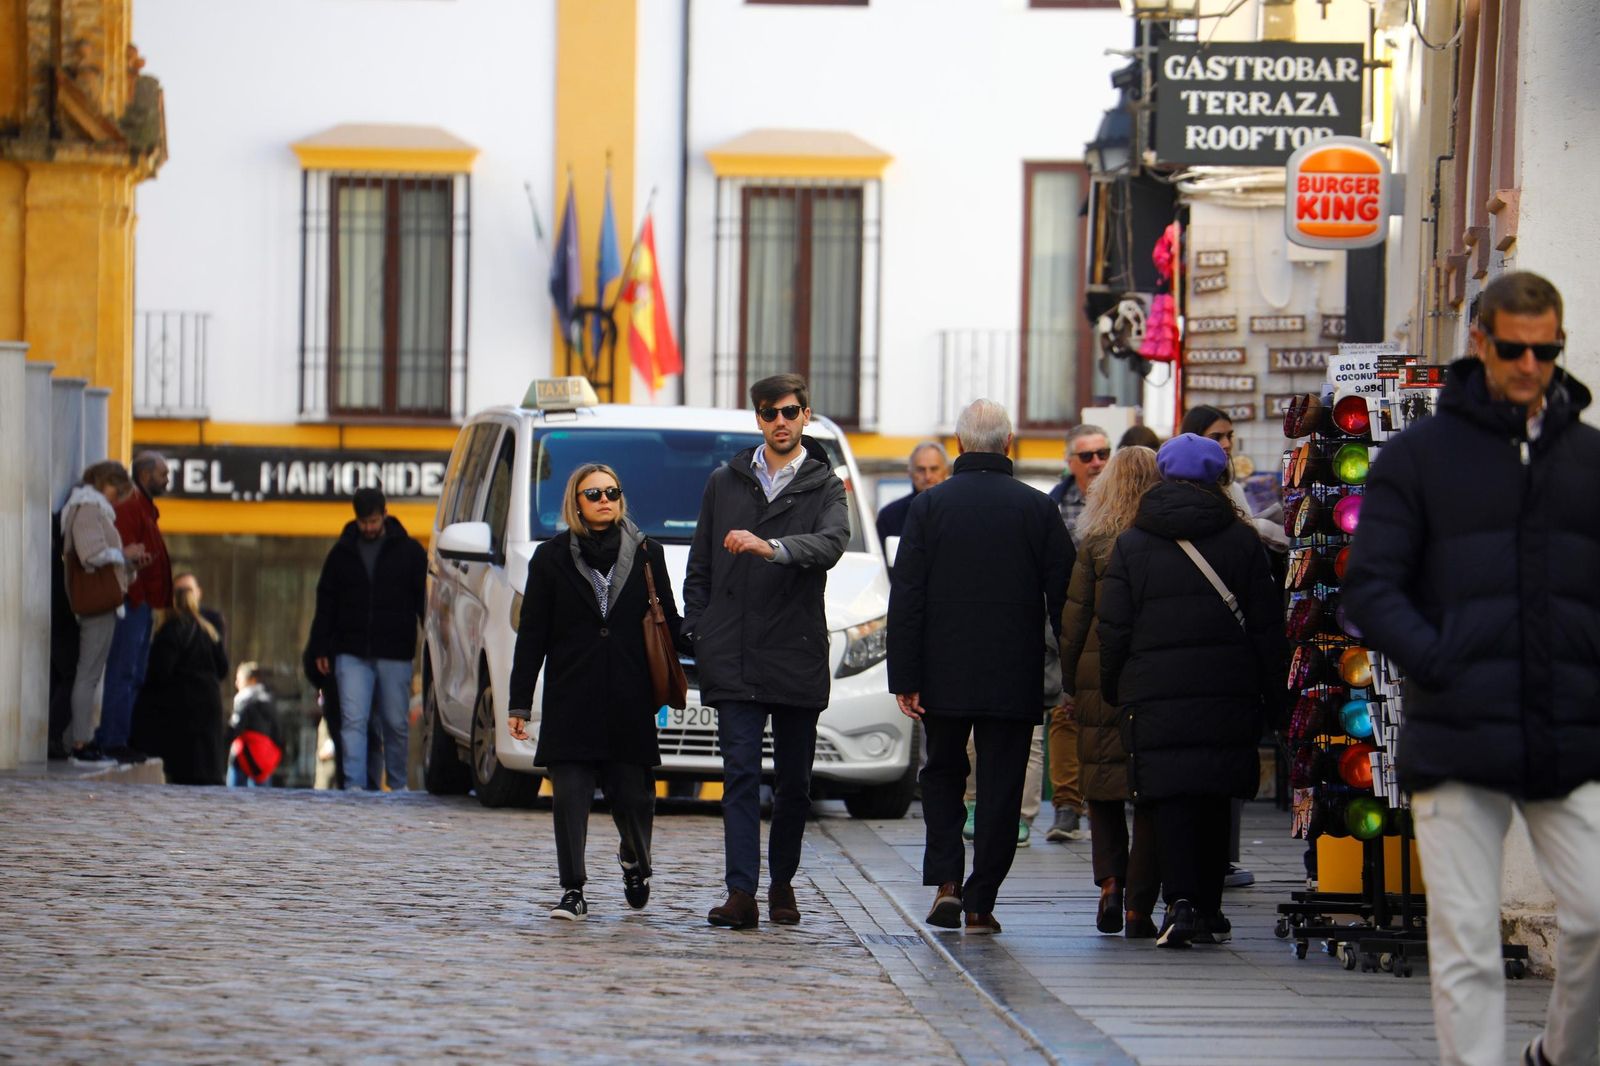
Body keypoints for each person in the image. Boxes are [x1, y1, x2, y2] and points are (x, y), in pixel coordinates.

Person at [1344, 271, 1600, 1066]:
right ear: (1480, 340)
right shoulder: (1420, 456)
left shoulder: (1590, 459)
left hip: (1569, 729)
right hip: (1456, 732)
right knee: (1465, 945)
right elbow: (1371, 587)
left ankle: (1559, 1054)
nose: (1531, 365)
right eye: (1516, 348)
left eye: (1547, 349)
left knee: (1595, 916)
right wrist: (1437, 659)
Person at [889, 399, 1071, 934]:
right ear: (1008, 444)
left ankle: (947, 880)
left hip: (942, 674)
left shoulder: (928, 508)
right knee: (1001, 787)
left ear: (960, 446)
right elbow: (1063, 599)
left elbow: (909, 597)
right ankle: (980, 900)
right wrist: (1075, 674)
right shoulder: (1038, 510)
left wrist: (906, 676)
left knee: (942, 775)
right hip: (1014, 676)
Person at [1098, 434, 1281, 948]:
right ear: (1220, 480)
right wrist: (1278, 694)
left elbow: (1113, 627)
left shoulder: (1133, 542)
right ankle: (1208, 906)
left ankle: (1179, 902)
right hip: (1227, 687)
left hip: (1156, 691)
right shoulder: (1243, 541)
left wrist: (1116, 685)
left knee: (1171, 796)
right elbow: (1267, 625)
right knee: (1213, 793)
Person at [684, 373, 850, 930]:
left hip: (796, 648)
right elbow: (700, 568)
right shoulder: (723, 482)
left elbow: (831, 544)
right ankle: (741, 893)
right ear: (757, 418)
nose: (780, 420)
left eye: (790, 411)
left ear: (807, 415)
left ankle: (782, 884)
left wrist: (771, 547)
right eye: (769, 412)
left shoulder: (825, 486)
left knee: (795, 782)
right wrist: (702, 631)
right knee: (739, 774)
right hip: (732, 651)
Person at [506, 463, 687, 920]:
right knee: (569, 796)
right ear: (576, 502)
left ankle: (635, 861)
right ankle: (573, 890)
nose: (605, 499)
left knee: (634, 796)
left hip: (629, 698)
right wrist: (519, 703)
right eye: (594, 493)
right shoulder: (550, 558)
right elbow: (532, 636)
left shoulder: (649, 553)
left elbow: (671, 623)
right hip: (573, 697)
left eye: (612, 491)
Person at [1178, 403, 1285, 889]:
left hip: (1197, 668)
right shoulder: (1231, 527)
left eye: (1229, 436)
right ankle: (1202, 883)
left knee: (1204, 776)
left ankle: (1202, 870)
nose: (1226, 445)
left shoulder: (1232, 494)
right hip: (1220, 665)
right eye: (1217, 437)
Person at [1059, 445, 1163, 938]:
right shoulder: (1162, 540)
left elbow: (1074, 619)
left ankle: (1109, 886)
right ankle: (1141, 906)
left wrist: (1069, 681)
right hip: (1149, 676)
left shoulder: (1096, 541)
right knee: (1147, 791)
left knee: (1101, 787)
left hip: (1097, 677)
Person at [309, 487, 427, 792]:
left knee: (395, 724)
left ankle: (398, 787)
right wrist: (320, 645)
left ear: (385, 515)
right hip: (351, 651)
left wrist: (430, 641)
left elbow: (424, 600)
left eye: (374, 521)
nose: (369, 528)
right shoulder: (341, 553)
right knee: (353, 721)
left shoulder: (410, 552)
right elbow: (326, 602)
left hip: (395, 651)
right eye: (364, 522)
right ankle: (355, 788)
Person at [1043, 424, 1107, 842]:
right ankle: (1067, 807)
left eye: (1103, 452)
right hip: (1064, 622)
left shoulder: (1123, 500)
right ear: (1071, 462)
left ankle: (1105, 800)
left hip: (1110, 620)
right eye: (1087, 456)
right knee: (1065, 712)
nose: (1097, 462)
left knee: (1106, 714)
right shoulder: (1052, 505)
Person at [59, 461, 138, 764]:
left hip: (100, 599)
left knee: (88, 673)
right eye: (117, 492)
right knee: (88, 673)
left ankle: (77, 739)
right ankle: (81, 743)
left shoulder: (89, 507)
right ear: (106, 483)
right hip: (96, 601)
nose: (117, 500)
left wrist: (127, 561)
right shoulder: (89, 507)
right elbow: (91, 554)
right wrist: (124, 553)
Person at [95, 450, 171, 762]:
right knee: (123, 672)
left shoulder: (144, 507)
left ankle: (117, 737)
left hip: (143, 603)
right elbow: (124, 553)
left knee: (133, 674)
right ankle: (112, 740)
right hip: (132, 602)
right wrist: (136, 592)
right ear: (144, 476)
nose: (167, 480)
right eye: (162, 474)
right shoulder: (131, 506)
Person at [137, 580, 230, 785]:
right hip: (209, 700)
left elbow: (161, 670)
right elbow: (223, 667)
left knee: (187, 768)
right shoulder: (208, 630)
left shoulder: (171, 629)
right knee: (207, 765)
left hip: (184, 704)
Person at [875, 441, 949, 548]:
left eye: (934, 469)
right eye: (921, 470)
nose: (928, 476)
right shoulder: (889, 516)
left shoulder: (960, 512)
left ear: (945, 471)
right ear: (910, 472)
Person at [228, 662, 282, 788]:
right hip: (263, 761)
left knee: (233, 799)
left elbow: (235, 729)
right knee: (262, 800)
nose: (237, 684)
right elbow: (277, 732)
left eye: (239, 679)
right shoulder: (269, 699)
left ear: (251, 680)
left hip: (241, 758)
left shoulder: (244, 700)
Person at [173, 572, 227, 655]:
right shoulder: (169, 622)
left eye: (189, 590)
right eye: (179, 592)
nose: (184, 596)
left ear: (199, 593)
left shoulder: (213, 619)